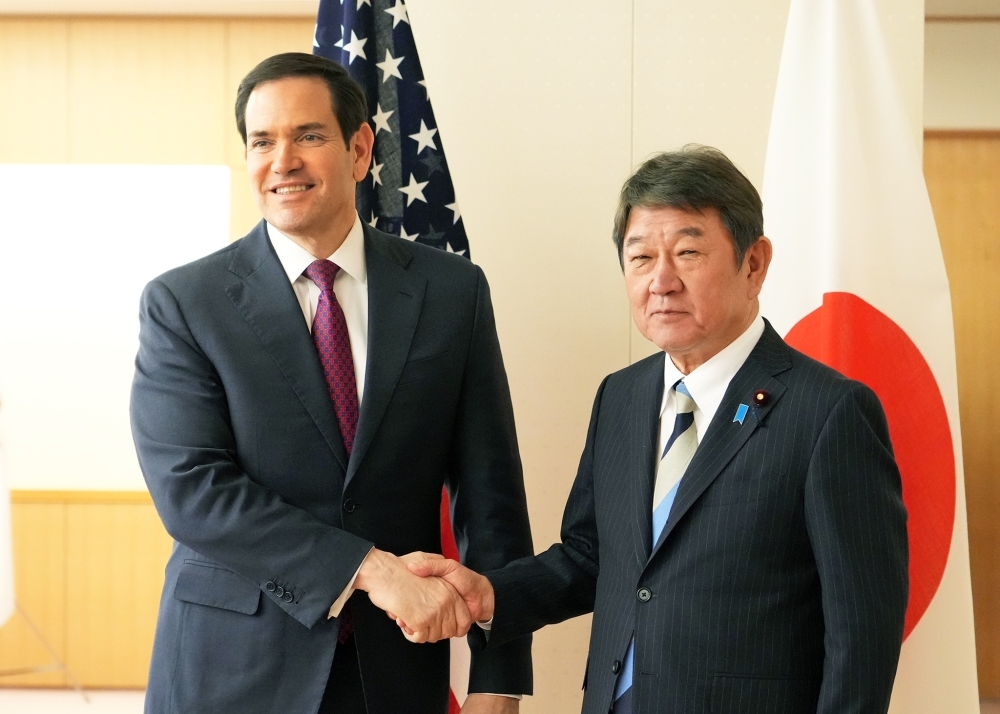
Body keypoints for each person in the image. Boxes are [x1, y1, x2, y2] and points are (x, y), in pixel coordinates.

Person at [409, 146, 909, 714]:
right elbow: (591, 555)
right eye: (641, 257)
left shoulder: (830, 412)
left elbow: (862, 638)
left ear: (754, 264)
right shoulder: (621, 396)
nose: (661, 281)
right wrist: (492, 594)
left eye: (688, 252)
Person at [129, 52, 531, 714]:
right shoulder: (184, 303)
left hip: (395, 671)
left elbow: (491, 496)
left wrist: (499, 676)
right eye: (262, 141)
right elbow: (192, 489)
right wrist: (369, 568)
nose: (282, 161)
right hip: (229, 667)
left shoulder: (452, 292)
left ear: (360, 149)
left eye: (308, 135)